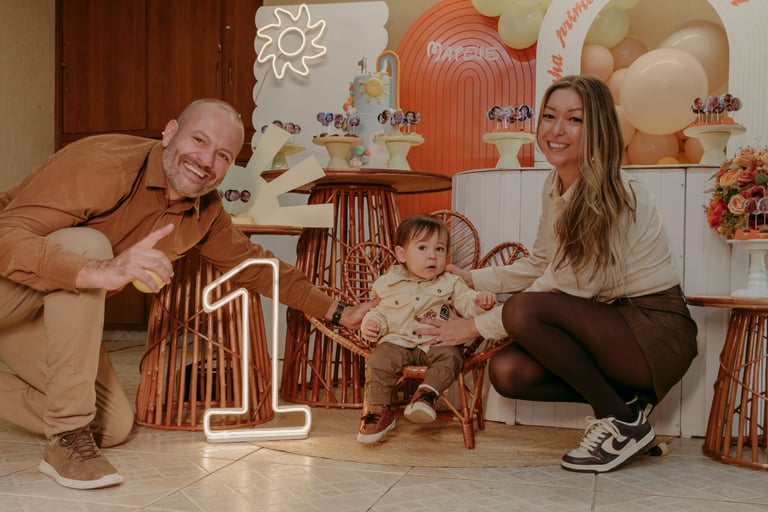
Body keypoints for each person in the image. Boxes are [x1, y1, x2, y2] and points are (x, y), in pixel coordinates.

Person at [0, 99, 374, 490]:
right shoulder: (103, 164)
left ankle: (73, 425)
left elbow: (257, 266)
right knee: (88, 245)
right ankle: (65, 439)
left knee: (112, 424)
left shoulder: (204, 213)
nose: (206, 161)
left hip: (45, 315)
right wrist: (100, 270)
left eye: (223, 155)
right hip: (10, 290)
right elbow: (6, 234)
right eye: (199, 140)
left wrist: (340, 311)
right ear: (170, 133)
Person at [415, 75, 698, 473]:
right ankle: (626, 410)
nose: (556, 130)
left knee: (523, 309)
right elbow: (540, 263)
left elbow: (566, 285)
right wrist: (471, 279)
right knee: (508, 372)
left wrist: (474, 326)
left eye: (574, 119)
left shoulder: (614, 194)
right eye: (549, 116)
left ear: (597, 129)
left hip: (655, 332)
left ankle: (620, 424)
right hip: (611, 324)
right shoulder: (556, 185)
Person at [357, 214, 496, 444]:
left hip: (436, 342)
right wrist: (371, 324)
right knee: (378, 359)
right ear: (402, 254)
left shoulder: (450, 282)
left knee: (452, 356)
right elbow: (378, 311)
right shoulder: (387, 283)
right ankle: (378, 410)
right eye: (423, 248)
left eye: (439, 249)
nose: (432, 255)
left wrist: (480, 302)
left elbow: (467, 302)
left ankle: (426, 395)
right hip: (397, 341)